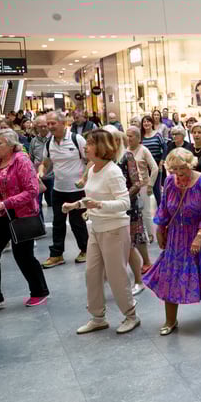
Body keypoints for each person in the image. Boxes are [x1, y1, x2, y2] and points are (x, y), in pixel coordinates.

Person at [142, 148, 201, 335]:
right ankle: (170, 320)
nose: (178, 173)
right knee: (170, 276)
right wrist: (160, 228)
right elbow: (164, 206)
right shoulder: (170, 181)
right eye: (174, 169)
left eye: (182, 169)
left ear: (190, 165)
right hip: (177, 236)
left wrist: (200, 236)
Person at [70, 130, 140, 335]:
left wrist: (99, 205)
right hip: (96, 228)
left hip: (115, 230)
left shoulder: (113, 171)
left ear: (102, 147)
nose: (85, 147)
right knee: (91, 274)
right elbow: (92, 197)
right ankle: (98, 317)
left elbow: (124, 203)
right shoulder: (92, 169)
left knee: (117, 275)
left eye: (90, 143)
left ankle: (131, 316)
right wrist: (76, 204)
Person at [0, 129, 49, 315]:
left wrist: (5, 203)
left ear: (11, 145)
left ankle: (40, 291)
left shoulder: (21, 161)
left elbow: (32, 190)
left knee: (23, 256)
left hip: (20, 215)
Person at [39, 110, 88, 268]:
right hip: (58, 190)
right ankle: (57, 254)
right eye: (48, 124)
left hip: (77, 190)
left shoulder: (76, 139)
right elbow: (46, 162)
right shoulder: (49, 143)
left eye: (53, 123)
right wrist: (41, 171)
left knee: (77, 222)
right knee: (57, 223)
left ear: (63, 123)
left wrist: (83, 179)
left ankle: (85, 250)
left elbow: (91, 160)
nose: (50, 126)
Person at [106, 126, 149, 295]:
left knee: (129, 245)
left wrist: (122, 199)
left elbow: (137, 183)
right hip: (111, 208)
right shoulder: (107, 158)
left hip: (127, 207)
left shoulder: (126, 156)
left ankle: (138, 280)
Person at [126, 125, 158, 245]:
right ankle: (134, 234)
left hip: (143, 185)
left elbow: (154, 168)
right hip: (129, 187)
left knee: (145, 212)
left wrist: (150, 185)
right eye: (127, 136)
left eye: (131, 136)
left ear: (138, 137)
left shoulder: (144, 150)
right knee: (131, 212)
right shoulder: (125, 150)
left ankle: (150, 234)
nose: (128, 138)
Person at [28, 115, 54, 213]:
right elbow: (31, 158)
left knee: (51, 202)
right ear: (36, 127)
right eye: (40, 126)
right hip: (37, 177)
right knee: (37, 202)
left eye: (45, 125)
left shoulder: (54, 139)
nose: (43, 128)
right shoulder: (34, 141)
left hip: (52, 175)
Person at [140, 115, 167, 207]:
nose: (146, 123)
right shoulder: (140, 136)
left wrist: (162, 161)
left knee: (156, 188)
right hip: (143, 166)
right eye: (144, 122)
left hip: (156, 165)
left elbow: (165, 148)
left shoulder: (157, 134)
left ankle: (161, 209)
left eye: (148, 121)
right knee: (143, 189)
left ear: (152, 123)